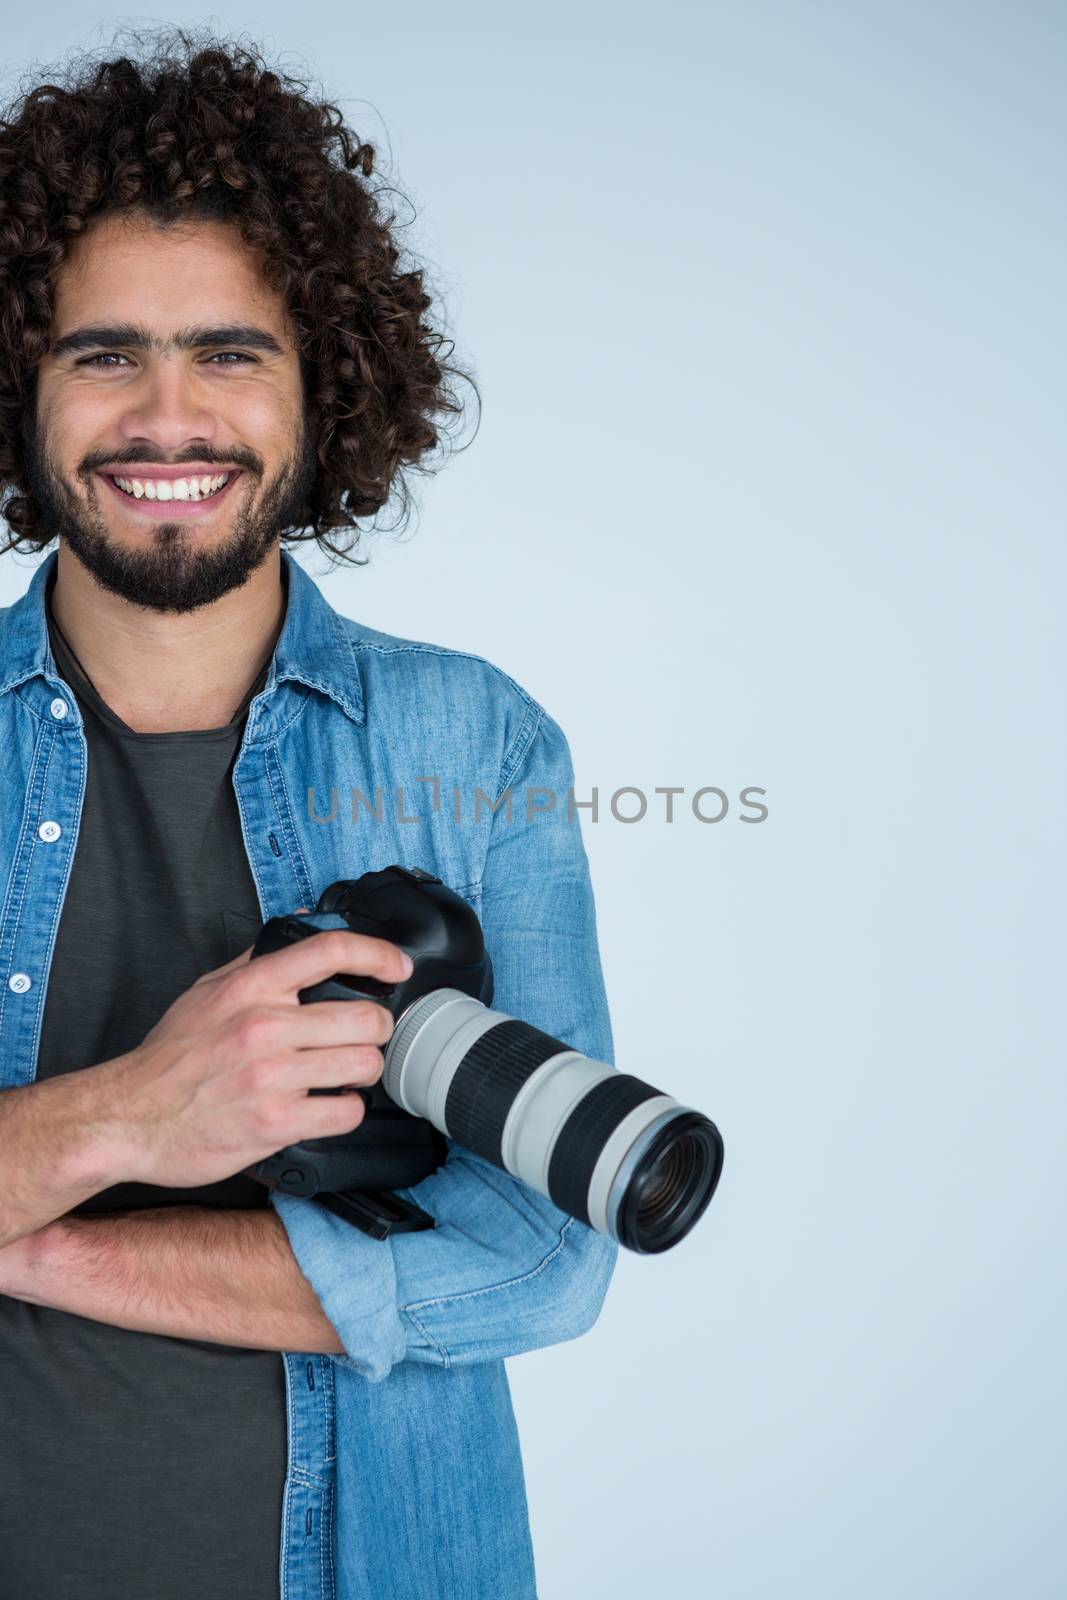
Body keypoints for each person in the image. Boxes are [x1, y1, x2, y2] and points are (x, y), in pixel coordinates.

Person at [0, 28, 617, 1600]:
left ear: (320, 383)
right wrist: (139, 1113)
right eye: (101, 352)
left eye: (229, 350)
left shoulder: (468, 735)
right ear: (22, 383)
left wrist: (53, 1245)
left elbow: (545, 1259)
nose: (165, 418)